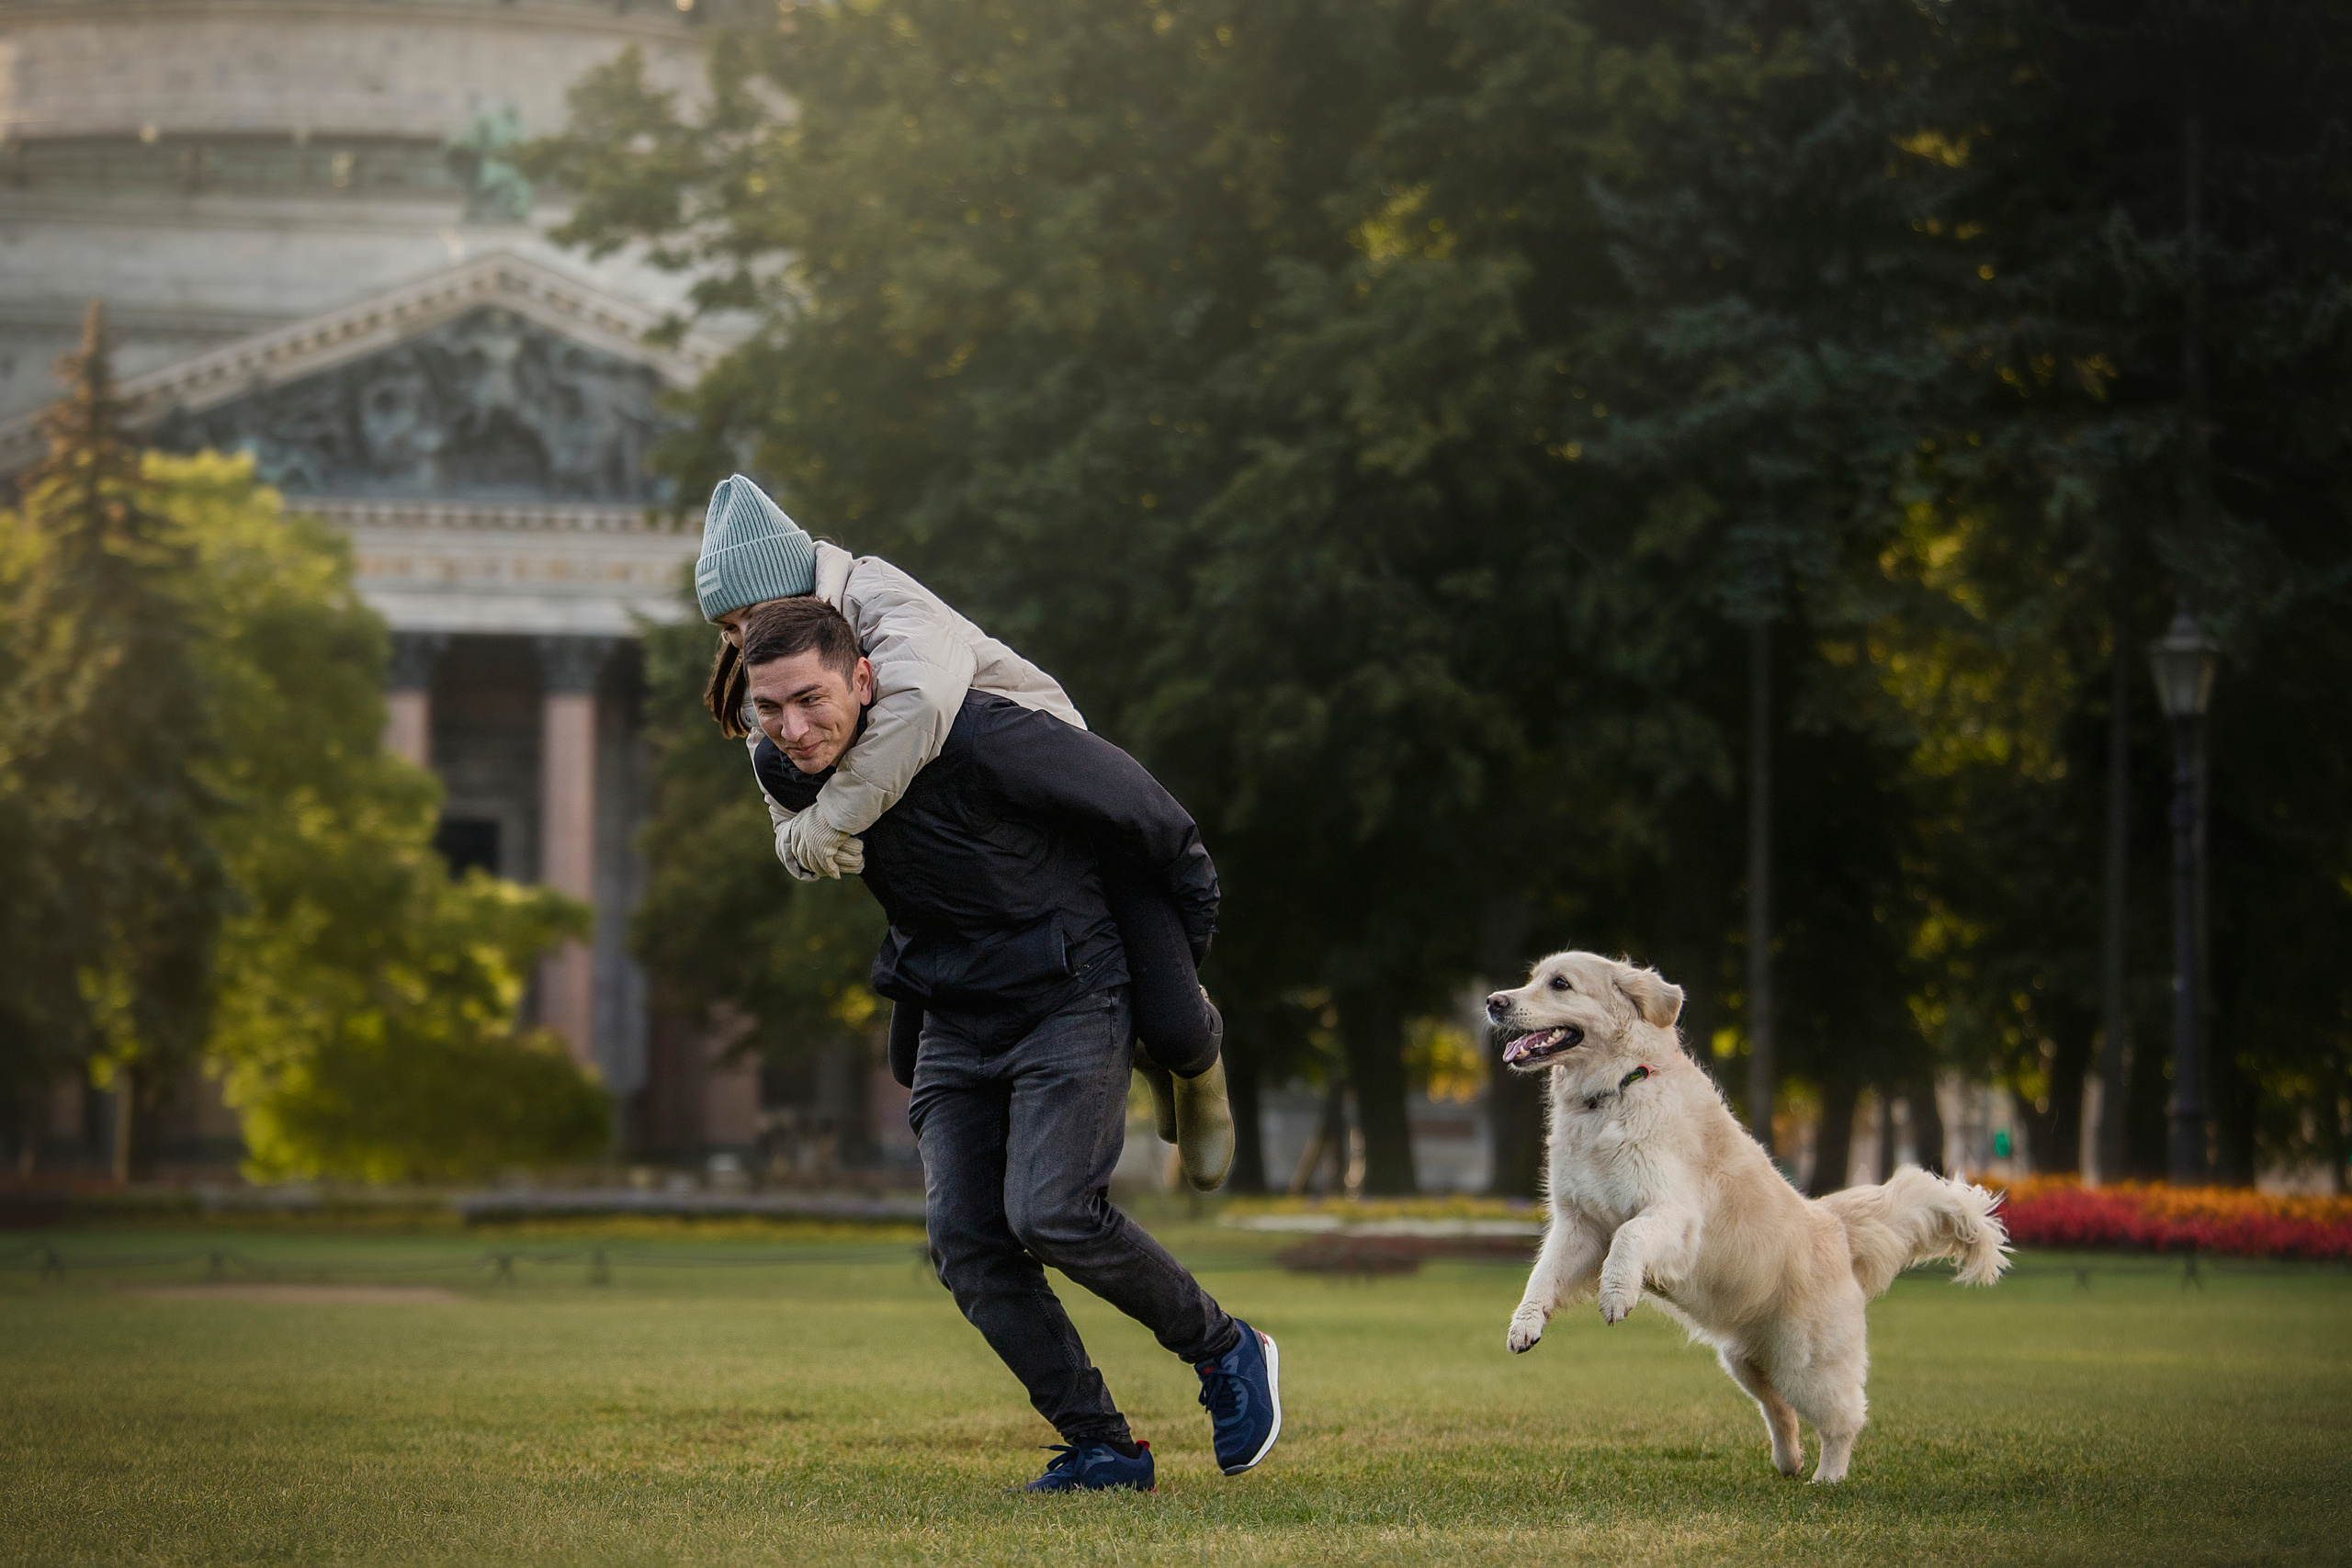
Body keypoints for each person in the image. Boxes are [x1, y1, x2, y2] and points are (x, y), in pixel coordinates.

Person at [734, 594, 1282, 1492]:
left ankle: (1226, 1351)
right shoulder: (792, 772)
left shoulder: (984, 735)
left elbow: (1160, 827)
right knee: (965, 1240)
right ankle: (1101, 1444)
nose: (792, 729)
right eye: (770, 708)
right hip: (954, 1013)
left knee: (1050, 1211)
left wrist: (1175, 979)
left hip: (1070, 991)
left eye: (809, 699)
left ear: (864, 678)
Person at [693, 475, 1230, 1184]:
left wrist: (828, 821)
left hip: (1051, 804)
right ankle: (1146, 1053)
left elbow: (918, 708)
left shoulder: (882, 600)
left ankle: (1198, 1074)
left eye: (745, 621)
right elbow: (781, 788)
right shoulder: (794, 666)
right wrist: (799, 843)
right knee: (913, 1056)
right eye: (729, 633)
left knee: (1176, 1020)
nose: (742, 643)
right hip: (968, 845)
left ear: (790, 590)